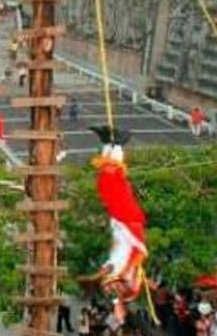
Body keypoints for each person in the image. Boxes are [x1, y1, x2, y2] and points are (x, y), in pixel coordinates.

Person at [77, 126, 148, 323]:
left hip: (120, 222)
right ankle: (118, 144)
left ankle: (108, 143)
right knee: (113, 182)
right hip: (131, 224)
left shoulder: (112, 269)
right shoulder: (129, 279)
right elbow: (138, 255)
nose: (107, 287)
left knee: (105, 185)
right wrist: (118, 305)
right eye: (110, 289)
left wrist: (94, 279)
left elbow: (105, 273)